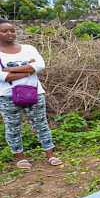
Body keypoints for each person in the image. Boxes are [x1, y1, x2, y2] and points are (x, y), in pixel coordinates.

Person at [0, 19, 62, 169]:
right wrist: (29, 69)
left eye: (12, 30)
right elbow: (3, 77)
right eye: (5, 31)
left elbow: (40, 65)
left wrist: (12, 70)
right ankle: (20, 158)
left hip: (34, 93)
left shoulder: (28, 48)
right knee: (13, 127)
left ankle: (50, 155)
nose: (10, 33)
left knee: (41, 125)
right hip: (7, 96)